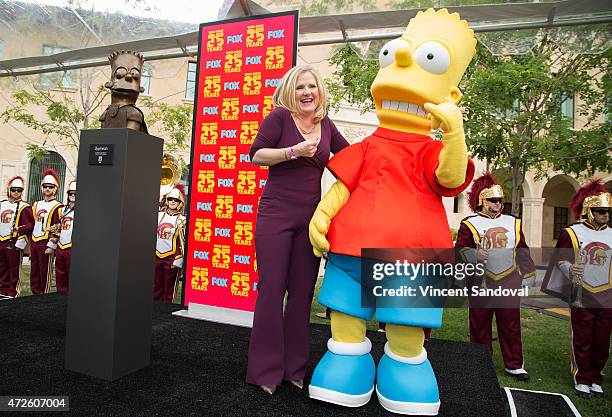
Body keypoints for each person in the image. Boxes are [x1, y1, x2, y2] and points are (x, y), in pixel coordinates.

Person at [307, 9, 475, 414]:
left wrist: (454, 133)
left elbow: (451, 179)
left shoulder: (433, 148)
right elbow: (344, 185)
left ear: (449, 99)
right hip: (351, 249)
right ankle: (347, 358)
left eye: (427, 61)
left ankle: (404, 366)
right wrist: (322, 215)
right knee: (347, 311)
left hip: (411, 255)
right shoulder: (367, 146)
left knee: (405, 321)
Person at [246, 64, 350, 395]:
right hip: (275, 215)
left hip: (310, 219)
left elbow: (349, 159)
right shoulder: (279, 118)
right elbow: (256, 156)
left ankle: (294, 369)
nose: (307, 92)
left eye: (312, 86)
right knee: (273, 289)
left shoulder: (326, 125)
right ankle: (265, 370)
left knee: (303, 292)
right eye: (300, 87)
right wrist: (293, 151)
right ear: (291, 92)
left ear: (320, 92)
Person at [455, 173, 536, 381]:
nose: (498, 204)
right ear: (482, 201)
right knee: (479, 323)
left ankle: (514, 364)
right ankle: (481, 362)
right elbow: (460, 249)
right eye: (493, 200)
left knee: (510, 323)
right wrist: (475, 255)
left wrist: (528, 272)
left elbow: (522, 249)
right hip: (481, 280)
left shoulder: (513, 223)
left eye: (500, 200)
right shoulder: (470, 223)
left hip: (508, 278)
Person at [543, 179, 611, 398]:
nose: (605, 216)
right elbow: (560, 260)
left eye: (608, 211)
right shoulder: (572, 233)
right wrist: (571, 269)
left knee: (602, 340)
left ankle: (596, 376)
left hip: (607, 294)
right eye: (601, 211)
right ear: (589, 211)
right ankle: (582, 376)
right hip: (582, 293)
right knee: (582, 337)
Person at [0, 176, 34, 297]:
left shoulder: (25, 206)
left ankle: (13, 291)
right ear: (9, 189)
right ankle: (3, 289)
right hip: (1, 240)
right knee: (2, 266)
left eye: (19, 190)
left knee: (13, 268)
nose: (16, 192)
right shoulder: (2, 203)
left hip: (14, 241)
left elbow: (30, 224)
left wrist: (19, 229)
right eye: (14, 189)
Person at [30, 169, 62, 294]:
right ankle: (34, 294)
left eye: (51, 187)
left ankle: (43, 297)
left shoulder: (58, 206)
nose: (47, 189)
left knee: (45, 271)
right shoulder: (36, 204)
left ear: (55, 189)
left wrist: (52, 245)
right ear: (41, 188)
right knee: (34, 271)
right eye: (45, 186)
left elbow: (57, 228)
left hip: (46, 243)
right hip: (35, 241)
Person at [155, 184, 186, 303]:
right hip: (156, 257)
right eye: (170, 199)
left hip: (171, 259)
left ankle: (166, 314)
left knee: (169, 290)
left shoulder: (182, 220)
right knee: (155, 287)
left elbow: (182, 242)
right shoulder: (158, 215)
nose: (173, 201)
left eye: (176, 200)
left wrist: (178, 259)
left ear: (180, 202)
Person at [49, 179, 76, 293]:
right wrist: (51, 245)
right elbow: (56, 228)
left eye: (75, 193)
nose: (73, 195)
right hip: (61, 246)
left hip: (72, 248)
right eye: (71, 193)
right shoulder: (61, 210)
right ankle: (60, 297)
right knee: (60, 274)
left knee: (72, 274)